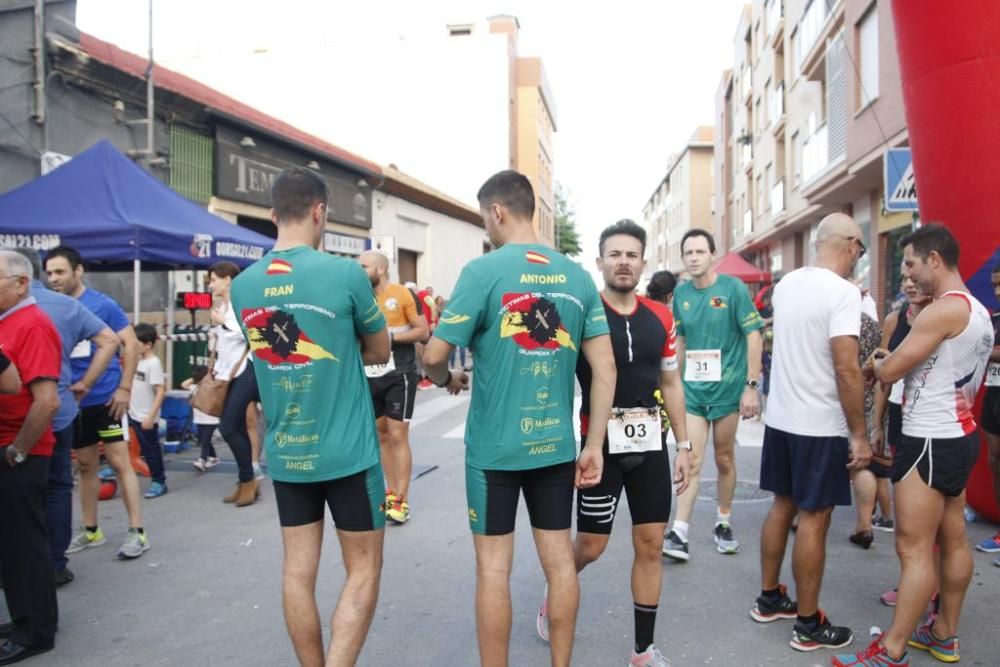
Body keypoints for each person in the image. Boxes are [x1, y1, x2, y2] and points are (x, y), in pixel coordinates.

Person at [422, 169, 615, 667]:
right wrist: (593, 445)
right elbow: (604, 367)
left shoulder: (482, 273)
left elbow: (433, 355)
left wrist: (445, 378)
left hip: (493, 452)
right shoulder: (577, 278)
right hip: (554, 446)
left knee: (492, 570)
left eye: (486, 218)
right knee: (560, 566)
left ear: (498, 212)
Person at [230, 167, 389, 666]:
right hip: (349, 453)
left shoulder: (243, 286)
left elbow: (268, 356)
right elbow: (379, 349)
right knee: (362, 568)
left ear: (273, 214)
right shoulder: (346, 274)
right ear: (320, 212)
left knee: (297, 572)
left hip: (288, 451)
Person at [836, 224, 993, 666]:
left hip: (929, 438)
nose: (907, 273)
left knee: (913, 547)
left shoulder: (941, 311)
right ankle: (943, 635)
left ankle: (891, 649)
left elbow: (889, 372)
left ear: (935, 261)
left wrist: (877, 360)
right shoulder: (977, 310)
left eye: (910, 263)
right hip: (960, 435)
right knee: (953, 537)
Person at [536, 220, 690, 666]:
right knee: (591, 546)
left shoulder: (660, 316)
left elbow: (671, 382)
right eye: (615, 254)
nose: (624, 262)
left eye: (632, 255)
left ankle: (643, 649)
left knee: (650, 545)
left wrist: (684, 445)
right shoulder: (584, 311)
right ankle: (557, 586)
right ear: (600, 261)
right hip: (598, 450)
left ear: (644, 262)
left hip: (650, 446)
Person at [751, 213, 870, 652]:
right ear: (852, 244)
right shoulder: (843, 293)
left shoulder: (788, 284)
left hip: (782, 417)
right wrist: (859, 435)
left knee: (782, 504)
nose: (860, 257)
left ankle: (769, 599)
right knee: (815, 518)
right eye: (861, 249)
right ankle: (807, 624)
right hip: (819, 423)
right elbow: (845, 367)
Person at [13, 247, 118, 584]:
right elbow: (110, 341)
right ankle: (55, 563)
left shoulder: (16, 309)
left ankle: (24, 568)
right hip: (59, 412)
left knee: (20, 495)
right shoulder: (66, 306)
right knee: (58, 488)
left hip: (22, 417)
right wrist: (84, 383)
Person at [661, 229, 763, 560]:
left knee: (724, 459)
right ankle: (680, 531)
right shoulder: (682, 294)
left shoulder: (732, 289)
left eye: (699, 252)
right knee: (689, 458)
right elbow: (680, 340)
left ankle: (723, 520)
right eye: (688, 252)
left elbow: (753, 335)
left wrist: (751, 387)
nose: (693, 257)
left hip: (729, 390)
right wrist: (668, 380)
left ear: (713, 255)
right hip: (692, 391)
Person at [46, 246, 148, 559]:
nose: (54, 279)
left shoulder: (102, 305)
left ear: (78, 271)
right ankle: (91, 530)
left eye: (60, 272)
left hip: (107, 399)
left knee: (119, 462)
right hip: (74, 403)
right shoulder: (50, 307)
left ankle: (137, 533)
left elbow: (129, 344)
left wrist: (124, 389)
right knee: (86, 465)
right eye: (49, 273)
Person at [0, 250, 61, 664]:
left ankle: (37, 630)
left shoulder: (33, 324)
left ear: (21, 283)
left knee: (25, 544)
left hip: (21, 450)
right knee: (11, 544)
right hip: (13, 446)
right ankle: (26, 616)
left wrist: (19, 449)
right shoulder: (11, 321)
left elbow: (47, 401)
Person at [358, 250, 430, 524]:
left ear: (380, 269)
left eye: (364, 266)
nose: (359, 271)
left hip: (399, 373)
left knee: (398, 434)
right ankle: (390, 492)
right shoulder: (361, 296)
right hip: (369, 373)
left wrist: (389, 336)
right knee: (382, 434)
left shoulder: (402, 294)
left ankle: (402, 498)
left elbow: (422, 331)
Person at [207, 261, 259, 506]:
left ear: (227, 279)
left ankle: (249, 480)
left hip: (247, 370)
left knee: (228, 427)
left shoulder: (241, 302)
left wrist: (223, 323)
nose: (210, 285)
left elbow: (252, 332)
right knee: (234, 426)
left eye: (213, 279)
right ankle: (245, 480)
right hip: (228, 373)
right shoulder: (223, 306)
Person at [847, 306, 884, 549]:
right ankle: (864, 525)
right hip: (869, 395)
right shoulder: (871, 323)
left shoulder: (835, 319)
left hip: (840, 397)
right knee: (862, 465)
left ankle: (799, 516)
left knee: (815, 460)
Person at [974, 263, 1000, 565]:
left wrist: (982, 347)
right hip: (993, 393)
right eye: (994, 285)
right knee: (994, 459)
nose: (997, 291)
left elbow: (982, 347)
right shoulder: (992, 317)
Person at [128, 324, 167, 499]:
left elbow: (160, 391)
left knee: (150, 450)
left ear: (148, 344)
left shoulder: (153, 364)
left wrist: (151, 416)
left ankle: (159, 481)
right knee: (121, 444)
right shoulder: (136, 360)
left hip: (146, 415)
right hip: (131, 412)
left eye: (136, 343)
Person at [183, 365, 221, 471]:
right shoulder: (195, 387)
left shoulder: (212, 387)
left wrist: (208, 377)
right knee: (204, 439)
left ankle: (202, 460)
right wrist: (196, 379)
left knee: (205, 440)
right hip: (199, 419)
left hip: (211, 419)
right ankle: (213, 457)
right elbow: (184, 384)